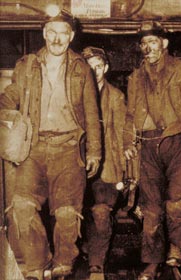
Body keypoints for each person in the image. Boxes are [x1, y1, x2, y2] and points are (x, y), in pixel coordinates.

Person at [0, 10, 101, 280]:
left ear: (71, 37)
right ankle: (36, 263)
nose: (57, 38)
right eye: (52, 32)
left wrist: (95, 152)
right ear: (45, 34)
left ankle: (63, 262)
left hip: (69, 147)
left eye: (63, 33)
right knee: (21, 206)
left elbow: (92, 112)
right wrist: (5, 112)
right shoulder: (27, 65)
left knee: (67, 214)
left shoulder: (82, 67)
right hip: (34, 147)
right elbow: (11, 97)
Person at [123, 21, 181, 280]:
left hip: (178, 142)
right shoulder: (135, 78)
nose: (147, 48)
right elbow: (130, 116)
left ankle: (176, 248)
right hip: (148, 145)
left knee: (176, 203)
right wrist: (128, 144)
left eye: (152, 42)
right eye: (143, 44)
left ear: (164, 43)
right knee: (151, 208)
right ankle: (152, 262)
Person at [82, 46, 126, 280]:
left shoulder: (116, 97)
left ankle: (96, 265)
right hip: (75, 167)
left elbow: (120, 136)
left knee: (100, 213)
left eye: (98, 66)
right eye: (89, 67)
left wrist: (124, 174)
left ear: (106, 68)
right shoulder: (73, 95)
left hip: (106, 168)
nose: (94, 71)